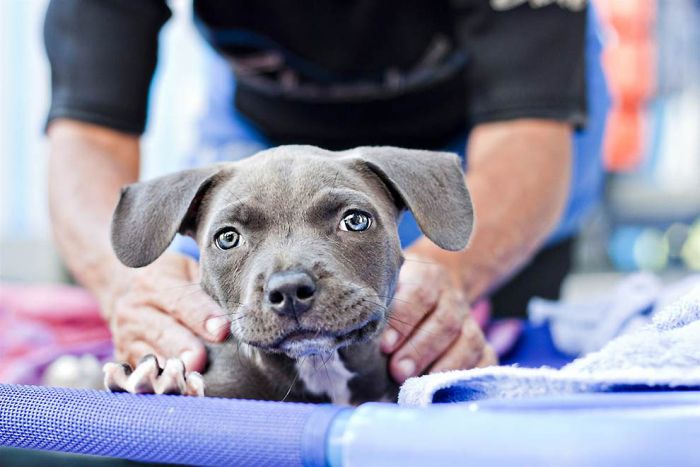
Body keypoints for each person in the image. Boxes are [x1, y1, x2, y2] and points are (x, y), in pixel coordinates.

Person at [44, 1, 604, 385]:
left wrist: (453, 272)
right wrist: (128, 286)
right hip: (258, 129)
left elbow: (524, 134)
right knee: (198, 344)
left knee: (463, 361)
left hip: (475, 142)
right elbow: (89, 134)